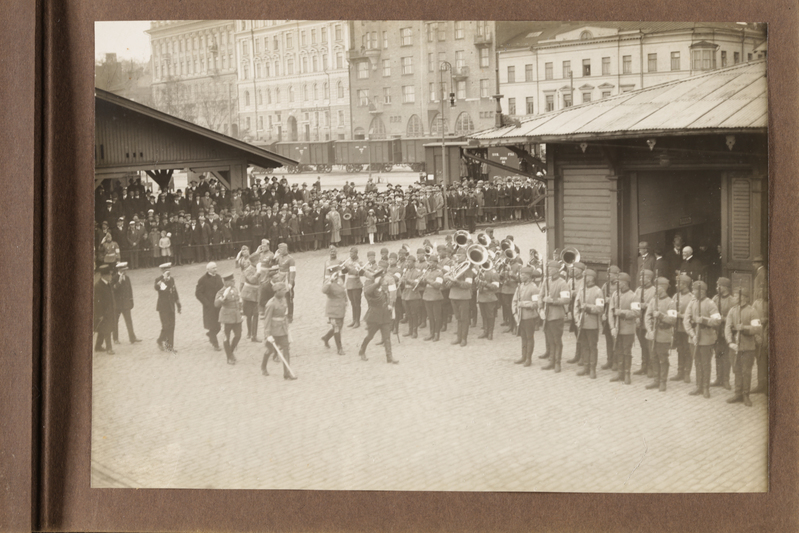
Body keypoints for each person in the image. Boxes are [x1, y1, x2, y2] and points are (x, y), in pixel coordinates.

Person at [683, 280, 722, 398]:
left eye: (695, 290)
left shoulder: (710, 304)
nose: (693, 292)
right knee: (697, 363)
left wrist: (704, 320)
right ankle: (698, 386)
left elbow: (717, 321)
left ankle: (705, 387)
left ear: (702, 291)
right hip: (694, 339)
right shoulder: (692, 303)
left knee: (705, 364)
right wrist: (692, 334)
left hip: (706, 339)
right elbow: (686, 320)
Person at [726, 287, 763, 406]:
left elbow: (758, 328)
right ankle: (738, 393)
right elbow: (727, 326)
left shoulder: (752, 311)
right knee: (736, 370)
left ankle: (746, 394)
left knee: (746, 371)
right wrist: (730, 342)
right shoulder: (732, 310)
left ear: (744, 297)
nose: (735, 297)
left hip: (748, 347)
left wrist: (745, 328)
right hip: (735, 347)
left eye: (737, 295)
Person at [359, 270, 399, 364]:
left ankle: (389, 357)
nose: (384, 281)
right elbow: (367, 292)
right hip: (374, 317)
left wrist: (390, 305)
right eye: (382, 279)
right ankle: (362, 350)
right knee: (370, 336)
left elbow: (390, 297)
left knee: (387, 337)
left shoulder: (383, 289)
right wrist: (377, 284)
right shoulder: (371, 289)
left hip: (384, 316)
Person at [644, 277, 676, 391]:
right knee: (653, 358)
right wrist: (649, 330)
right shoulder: (653, 300)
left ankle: (663, 381)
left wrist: (661, 316)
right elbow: (647, 316)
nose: (656, 289)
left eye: (658, 287)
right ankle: (656, 380)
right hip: (652, 335)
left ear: (663, 288)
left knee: (663, 359)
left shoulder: (671, 302)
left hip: (663, 335)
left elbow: (673, 320)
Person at [540, 260, 571, 372]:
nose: (548, 270)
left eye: (551, 268)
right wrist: (540, 308)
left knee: (557, 340)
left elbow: (566, 299)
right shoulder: (546, 281)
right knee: (550, 339)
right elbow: (540, 295)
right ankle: (551, 361)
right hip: (547, 315)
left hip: (557, 316)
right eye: (548, 268)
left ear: (557, 270)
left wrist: (552, 300)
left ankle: (557, 362)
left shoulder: (562, 283)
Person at [261, 282, 296, 379]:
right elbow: (267, 320)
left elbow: (284, 315)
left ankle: (287, 373)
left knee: (286, 349)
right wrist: (268, 335)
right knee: (270, 350)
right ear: (277, 291)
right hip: (273, 331)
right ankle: (263, 367)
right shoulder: (271, 304)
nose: (285, 291)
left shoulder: (284, 300)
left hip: (283, 329)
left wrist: (287, 328)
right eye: (283, 290)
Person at [573, 269, 604, 378]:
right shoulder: (581, 290)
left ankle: (592, 368)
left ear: (592, 278)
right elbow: (576, 306)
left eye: (586, 276)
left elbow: (600, 308)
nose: (584, 278)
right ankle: (586, 367)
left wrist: (588, 308)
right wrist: (577, 319)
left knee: (592, 346)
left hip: (592, 324)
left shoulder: (598, 291)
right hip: (582, 323)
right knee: (584, 345)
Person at [511, 266, 540, 367]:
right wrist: (514, 313)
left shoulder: (534, 288)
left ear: (528, 276)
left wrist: (523, 304)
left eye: (523, 275)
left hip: (529, 317)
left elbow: (536, 304)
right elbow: (514, 301)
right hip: (520, 317)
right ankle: (523, 356)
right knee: (523, 337)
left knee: (529, 337)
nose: (521, 277)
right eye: (521, 275)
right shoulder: (520, 286)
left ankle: (528, 358)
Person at [711, 278, 735, 390]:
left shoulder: (732, 300)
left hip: (727, 333)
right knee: (718, 355)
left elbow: (734, 317)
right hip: (717, 332)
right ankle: (718, 378)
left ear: (724, 287)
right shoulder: (715, 298)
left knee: (726, 357)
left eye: (718, 285)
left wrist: (724, 319)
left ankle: (726, 380)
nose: (717, 288)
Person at [632, 270, 656, 377]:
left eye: (643, 277)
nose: (640, 279)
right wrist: (636, 316)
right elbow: (633, 303)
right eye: (640, 277)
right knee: (642, 344)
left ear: (649, 278)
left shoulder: (654, 290)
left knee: (649, 345)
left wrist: (644, 305)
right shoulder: (638, 290)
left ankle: (651, 367)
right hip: (639, 320)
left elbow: (654, 304)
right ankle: (644, 365)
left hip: (649, 321)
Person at [195, 261, 224, 351]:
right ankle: (215, 344)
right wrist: (206, 303)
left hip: (218, 304)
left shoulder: (219, 277)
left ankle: (211, 335)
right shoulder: (203, 280)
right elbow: (198, 293)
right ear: (208, 270)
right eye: (213, 268)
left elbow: (222, 289)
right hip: (209, 306)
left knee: (218, 326)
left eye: (216, 267)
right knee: (213, 325)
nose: (215, 269)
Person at [670, 274, 693, 383]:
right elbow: (670, 309)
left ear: (684, 284)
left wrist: (681, 315)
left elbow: (692, 315)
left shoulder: (691, 297)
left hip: (687, 329)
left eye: (678, 283)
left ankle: (687, 373)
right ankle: (680, 372)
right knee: (680, 350)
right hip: (677, 328)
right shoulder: (675, 296)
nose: (676, 285)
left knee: (687, 351)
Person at [215, 273, 243, 365]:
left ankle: (230, 352)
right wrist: (223, 297)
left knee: (238, 335)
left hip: (236, 317)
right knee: (226, 337)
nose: (233, 282)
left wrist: (241, 312)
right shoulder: (221, 291)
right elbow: (216, 304)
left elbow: (239, 301)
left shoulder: (235, 289)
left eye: (233, 280)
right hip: (226, 317)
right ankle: (229, 357)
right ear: (226, 282)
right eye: (231, 281)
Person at [154, 263, 181, 352]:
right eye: (165, 270)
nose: (168, 272)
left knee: (172, 326)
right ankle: (159, 340)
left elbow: (174, 291)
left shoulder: (172, 279)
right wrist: (164, 280)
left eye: (169, 270)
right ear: (162, 271)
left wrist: (178, 303)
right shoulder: (159, 280)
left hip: (171, 306)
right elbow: (160, 289)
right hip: (163, 307)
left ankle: (170, 346)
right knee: (166, 326)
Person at [112, 262, 141, 345]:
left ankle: (132, 338)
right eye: (123, 270)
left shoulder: (127, 278)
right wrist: (119, 282)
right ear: (119, 270)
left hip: (125, 304)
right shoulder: (114, 278)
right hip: (117, 305)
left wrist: (131, 301)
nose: (125, 272)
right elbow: (113, 290)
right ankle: (115, 338)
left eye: (125, 270)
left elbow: (130, 290)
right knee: (115, 322)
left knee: (129, 321)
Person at [321, 270, 348, 355]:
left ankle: (326, 338)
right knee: (336, 328)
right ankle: (339, 349)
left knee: (339, 327)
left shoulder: (340, 280)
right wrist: (330, 281)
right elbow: (324, 290)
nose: (337, 275)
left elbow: (343, 291)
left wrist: (346, 300)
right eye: (335, 273)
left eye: (337, 273)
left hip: (341, 308)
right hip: (333, 310)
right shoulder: (328, 281)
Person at [420, 255, 445, 342]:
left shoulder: (439, 272)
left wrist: (427, 280)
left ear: (435, 263)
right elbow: (423, 284)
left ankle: (436, 334)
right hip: (427, 296)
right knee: (430, 317)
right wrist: (421, 281)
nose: (429, 264)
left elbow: (437, 285)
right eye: (429, 262)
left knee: (436, 317)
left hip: (435, 297)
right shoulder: (427, 272)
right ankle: (431, 333)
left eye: (431, 262)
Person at [94, 264, 116, 354]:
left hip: (110, 310)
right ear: (104, 276)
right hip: (103, 312)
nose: (111, 276)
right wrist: (100, 315)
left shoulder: (108, 283)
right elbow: (97, 302)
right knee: (107, 329)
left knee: (102, 329)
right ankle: (109, 348)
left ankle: (98, 346)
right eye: (109, 275)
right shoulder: (98, 286)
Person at [276, 242, 297, 322]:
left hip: (287, 279)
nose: (279, 250)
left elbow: (292, 272)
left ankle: (290, 315)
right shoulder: (279, 257)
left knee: (289, 298)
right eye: (279, 249)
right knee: (281, 297)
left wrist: (290, 283)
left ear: (285, 249)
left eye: (281, 249)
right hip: (280, 279)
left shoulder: (290, 259)